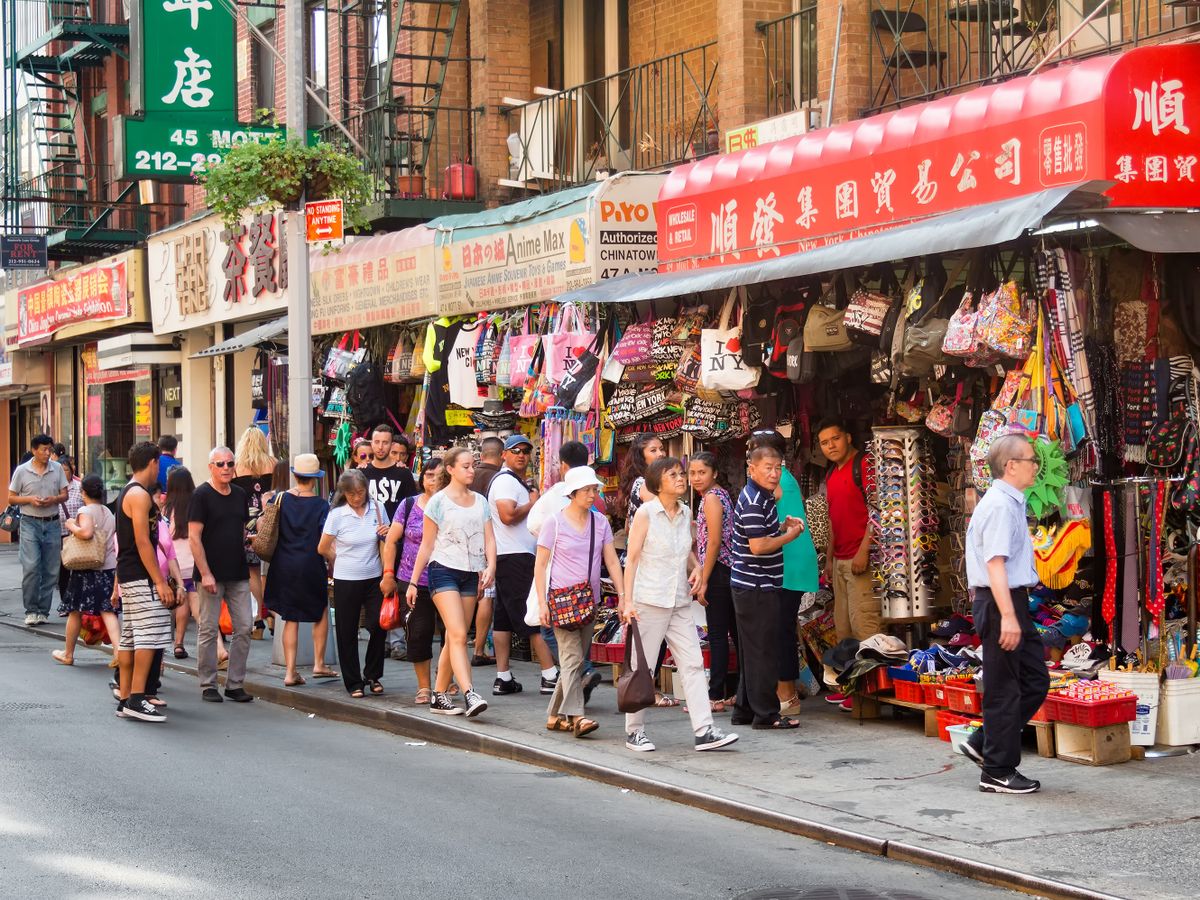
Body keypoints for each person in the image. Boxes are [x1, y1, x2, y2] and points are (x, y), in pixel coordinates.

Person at [621, 457, 739, 753]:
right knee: (642, 668)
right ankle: (634, 731)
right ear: (657, 483)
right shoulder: (646, 514)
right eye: (672, 474)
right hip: (649, 600)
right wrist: (627, 600)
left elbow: (685, 549)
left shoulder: (686, 512)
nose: (681, 478)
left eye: (680, 473)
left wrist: (697, 566)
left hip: (678, 600)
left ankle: (704, 730)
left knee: (694, 663)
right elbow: (632, 558)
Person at [963, 434, 1048, 794]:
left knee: (1034, 680)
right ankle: (997, 770)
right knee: (1004, 687)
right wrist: (1008, 616)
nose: (1036, 467)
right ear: (1010, 465)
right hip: (1001, 602)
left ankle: (985, 741)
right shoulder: (999, 505)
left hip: (1009, 600)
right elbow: (995, 563)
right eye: (1031, 460)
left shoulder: (1010, 502)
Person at [405, 447, 495, 717]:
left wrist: (491, 566)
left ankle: (439, 696)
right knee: (456, 634)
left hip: (471, 573)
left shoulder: (481, 501)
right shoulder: (438, 502)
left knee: (454, 638)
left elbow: (490, 538)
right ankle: (469, 692)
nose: (471, 470)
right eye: (466, 466)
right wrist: (412, 582)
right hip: (442, 569)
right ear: (451, 469)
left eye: (473, 466)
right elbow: (426, 545)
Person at [536, 466, 625, 738]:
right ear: (572, 493)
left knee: (573, 662)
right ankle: (578, 717)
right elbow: (540, 566)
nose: (592, 494)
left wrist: (622, 596)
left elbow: (611, 560)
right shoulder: (554, 522)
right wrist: (542, 603)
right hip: (561, 601)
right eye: (587, 490)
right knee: (573, 659)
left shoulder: (600, 523)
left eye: (594, 489)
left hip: (590, 600)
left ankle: (554, 716)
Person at [730, 445, 806, 730]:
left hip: (754, 585)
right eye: (768, 468)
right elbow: (759, 546)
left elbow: (761, 532)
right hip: (757, 586)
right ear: (752, 468)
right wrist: (790, 534)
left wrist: (781, 524)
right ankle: (767, 714)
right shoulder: (753, 500)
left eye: (778, 468)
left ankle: (744, 710)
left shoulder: (762, 497)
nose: (774, 474)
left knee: (753, 651)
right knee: (763, 652)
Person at [748, 431, 820, 716]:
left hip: (789, 561)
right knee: (782, 629)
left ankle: (787, 695)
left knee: (780, 630)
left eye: (755, 450)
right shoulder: (783, 478)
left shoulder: (775, 482)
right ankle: (786, 691)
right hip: (790, 559)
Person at [527, 439, 603, 701]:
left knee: (565, 646)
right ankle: (573, 710)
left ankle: (580, 682)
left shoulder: (557, 494)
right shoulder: (597, 501)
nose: (591, 495)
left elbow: (533, 524)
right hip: (582, 587)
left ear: (564, 465)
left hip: (562, 585)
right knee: (574, 649)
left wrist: (551, 542)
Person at [113, 442, 179, 723]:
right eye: (158, 466)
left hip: (130, 574)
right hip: (140, 575)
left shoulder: (128, 491)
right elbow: (143, 541)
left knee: (129, 638)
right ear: (153, 462)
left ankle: (127, 696)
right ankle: (137, 698)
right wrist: (160, 582)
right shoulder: (139, 495)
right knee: (148, 637)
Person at [488, 434, 558, 697]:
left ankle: (503, 676)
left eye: (526, 451)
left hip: (509, 556)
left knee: (504, 620)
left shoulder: (511, 481)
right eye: (515, 450)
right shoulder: (506, 482)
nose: (521, 455)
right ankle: (550, 675)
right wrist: (533, 502)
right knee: (533, 616)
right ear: (504, 454)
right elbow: (507, 515)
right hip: (515, 556)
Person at [818, 417, 878, 708]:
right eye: (824, 442)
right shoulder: (831, 475)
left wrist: (864, 550)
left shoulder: (863, 465)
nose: (830, 446)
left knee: (865, 626)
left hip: (860, 559)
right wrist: (829, 560)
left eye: (835, 439)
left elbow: (879, 510)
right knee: (843, 630)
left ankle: (870, 695)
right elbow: (833, 521)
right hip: (840, 560)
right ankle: (853, 688)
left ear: (849, 437)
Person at [188, 446, 254, 704]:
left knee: (245, 627)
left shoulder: (239, 494)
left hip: (237, 572)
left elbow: (240, 530)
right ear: (210, 467)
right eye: (220, 464)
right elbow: (194, 538)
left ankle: (235, 683)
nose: (226, 468)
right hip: (210, 575)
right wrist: (205, 573)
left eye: (229, 463)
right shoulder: (201, 495)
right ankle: (208, 683)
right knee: (208, 629)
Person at [267, 453, 337, 687]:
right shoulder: (320, 505)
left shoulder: (280, 499)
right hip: (311, 564)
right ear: (315, 479)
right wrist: (333, 561)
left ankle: (290, 672)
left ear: (295, 475)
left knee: (290, 618)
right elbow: (325, 541)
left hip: (284, 564)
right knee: (320, 612)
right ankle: (318, 663)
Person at [318, 469, 388, 698]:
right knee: (347, 631)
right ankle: (353, 681)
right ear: (344, 494)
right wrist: (338, 558)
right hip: (346, 578)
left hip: (374, 576)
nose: (357, 498)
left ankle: (373, 674)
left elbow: (388, 540)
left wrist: (386, 534)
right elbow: (322, 547)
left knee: (379, 624)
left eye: (360, 492)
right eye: (352, 494)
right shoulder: (338, 515)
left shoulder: (376, 508)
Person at [615, 433, 674, 707]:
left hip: (648, 565)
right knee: (650, 631)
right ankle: (645, 687)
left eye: (661, 449)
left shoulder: (642, 485)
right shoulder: (645, 484)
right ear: (642, 456)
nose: (660, 453)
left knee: (650, 631)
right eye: (654, 450)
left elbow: (629, 527)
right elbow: (667, 511)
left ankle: (645, 685)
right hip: (645, 568)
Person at [381, 459, 445, 705]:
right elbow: (391, 541)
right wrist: (388, 573)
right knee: (418, 633)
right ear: (422, 479)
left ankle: (444, 679)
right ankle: (424, 687)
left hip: (447, 577)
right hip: (412, 580)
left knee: (451, 634)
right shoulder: (408, 505)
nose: (433, 481)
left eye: (438, 476)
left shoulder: (452, 505)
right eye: (429, 475)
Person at [53, 474, 119, 665]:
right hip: (107, 566)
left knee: (75, 611)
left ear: (83, 493)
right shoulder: (107, 511)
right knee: (108, 611)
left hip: (87, 568)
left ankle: (68, 654)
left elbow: (86, 532)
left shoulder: (85, 510)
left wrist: (71, 525)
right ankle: (118, 652)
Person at [689, 452, 738, 711]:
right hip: (725, 570)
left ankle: (715, 695)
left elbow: (715, 543)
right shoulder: (719, 496)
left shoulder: (711, 498)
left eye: (702, 472)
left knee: (718, 635)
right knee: (733, 633)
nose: (696, 478)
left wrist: (703, 580)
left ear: (714, 473)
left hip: (719, 571)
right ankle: (737, 692)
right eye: (692, 473)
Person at [7, 434, 68, 625]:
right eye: (44, 449)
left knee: (51, 569)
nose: (47, 453)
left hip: (52, 522)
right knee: (32, 566)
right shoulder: (22, 471)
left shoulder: (57, 469)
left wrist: (54, 499)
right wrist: (30, 499)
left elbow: (64, 494)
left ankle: (43, 610)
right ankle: (31, 609)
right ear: (34, 450)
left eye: (49, 449)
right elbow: (11, 498)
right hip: (29, 522)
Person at [232, 426, 277, 636]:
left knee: (252, 572)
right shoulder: (273, 464)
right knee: (271, 570)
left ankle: (258, 618)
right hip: (270, 522)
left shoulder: (236, 467)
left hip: (246, 523)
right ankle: (274, 615)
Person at [469, 436, 504, 666]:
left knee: (475, 592)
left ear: (481, 456)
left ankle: (475, 643)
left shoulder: (470, 475)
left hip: (469, 540)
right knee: (486, 595)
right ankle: (480, 649)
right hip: (489, 540)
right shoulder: (499, 478)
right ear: (502, 456)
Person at [362, 424, 417, 518]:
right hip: (366, 530)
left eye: (385, 442)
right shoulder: (361, 472)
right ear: (371, 443)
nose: (380, 447)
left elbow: (412, 509)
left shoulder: (404, 473)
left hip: (395, 530)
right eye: (377, 442)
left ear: (391, 445)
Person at [56, 455, 83, 604]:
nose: (63, 472)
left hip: (77, 535)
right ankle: (65, 602)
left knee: (79, 568)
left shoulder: (79, 487)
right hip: (59, 535)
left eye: (66, 469)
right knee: (63, 570)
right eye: (60, 469)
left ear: (72, 470)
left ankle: (79, 600)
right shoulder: (53, 488)